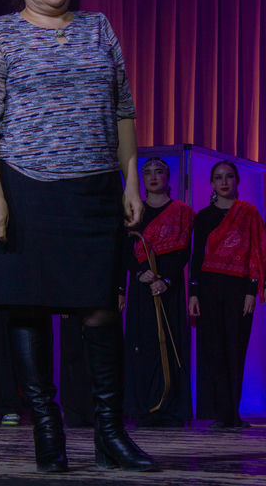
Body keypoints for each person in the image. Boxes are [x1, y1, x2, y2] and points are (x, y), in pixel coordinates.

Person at [0, 0, 156, 472]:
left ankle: (109, 432)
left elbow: (123, 111)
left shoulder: (98, 27)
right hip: (25, 186)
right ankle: (47, 432)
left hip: (93, 189)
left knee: (99, 309)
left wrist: (131, 182)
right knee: (27, 307)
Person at [189, 161, 266, 428]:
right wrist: (193, 293)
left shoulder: (249, 213)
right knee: (214, 350)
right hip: (209, 289)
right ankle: (222, 415)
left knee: (236, 349)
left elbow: (257, 254)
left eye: (229, 177)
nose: (224, 182)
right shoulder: (203, 217)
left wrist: (252, 291)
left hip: (238, 291)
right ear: (212, 183)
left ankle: (234, 414)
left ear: (237, 181)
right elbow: (196, 257)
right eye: (219, 178)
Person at [121, 158, 195, 427]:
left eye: (159, 172)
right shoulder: (133, 212)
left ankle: (170, 408)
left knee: (170, 345)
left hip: (169, 288)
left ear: (167, 176)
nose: (153, 177)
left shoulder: (182, 212)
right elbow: (125, 251)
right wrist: (140, 273)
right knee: (143, 346)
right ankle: (144, 407)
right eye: (148, 173)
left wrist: (166, 280)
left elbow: (184, 252)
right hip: (142, 288)